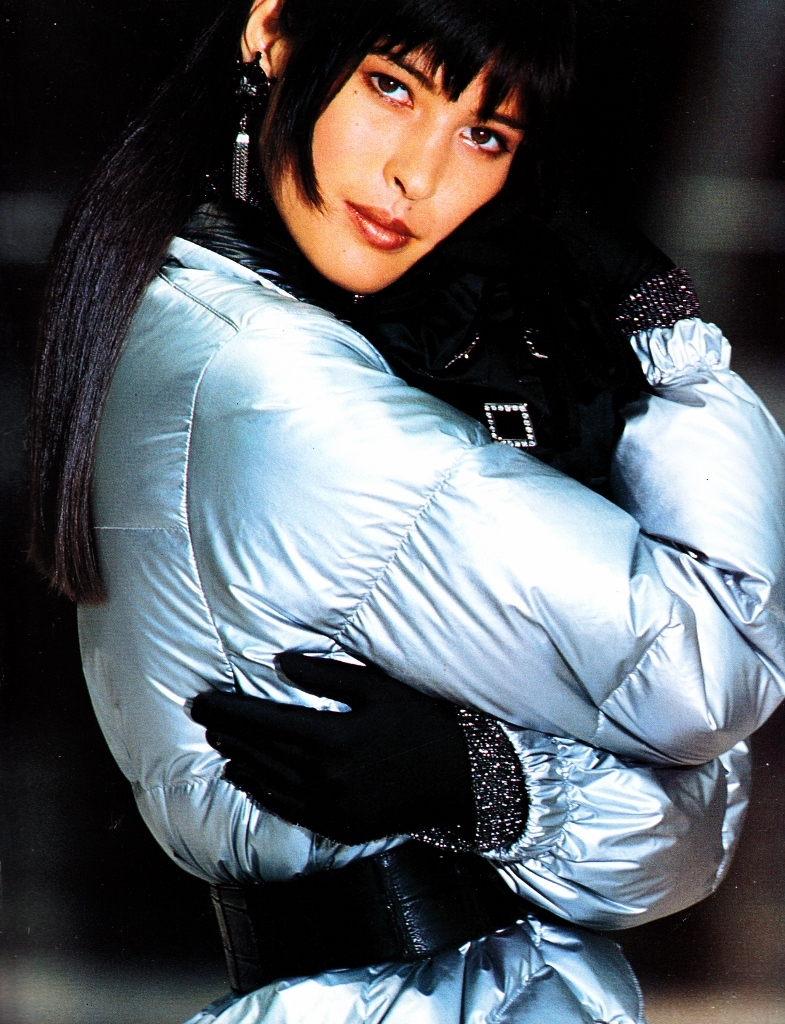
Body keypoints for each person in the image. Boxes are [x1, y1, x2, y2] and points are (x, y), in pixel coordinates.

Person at [29, 1, 785, 1022]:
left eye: (485, 135)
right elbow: (716, 665)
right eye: (391, 87)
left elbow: (684, 830)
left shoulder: (183, 300)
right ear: (272, 31)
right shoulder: (287, 394)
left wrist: (500, 787)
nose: (419, 177)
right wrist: (666, 333)